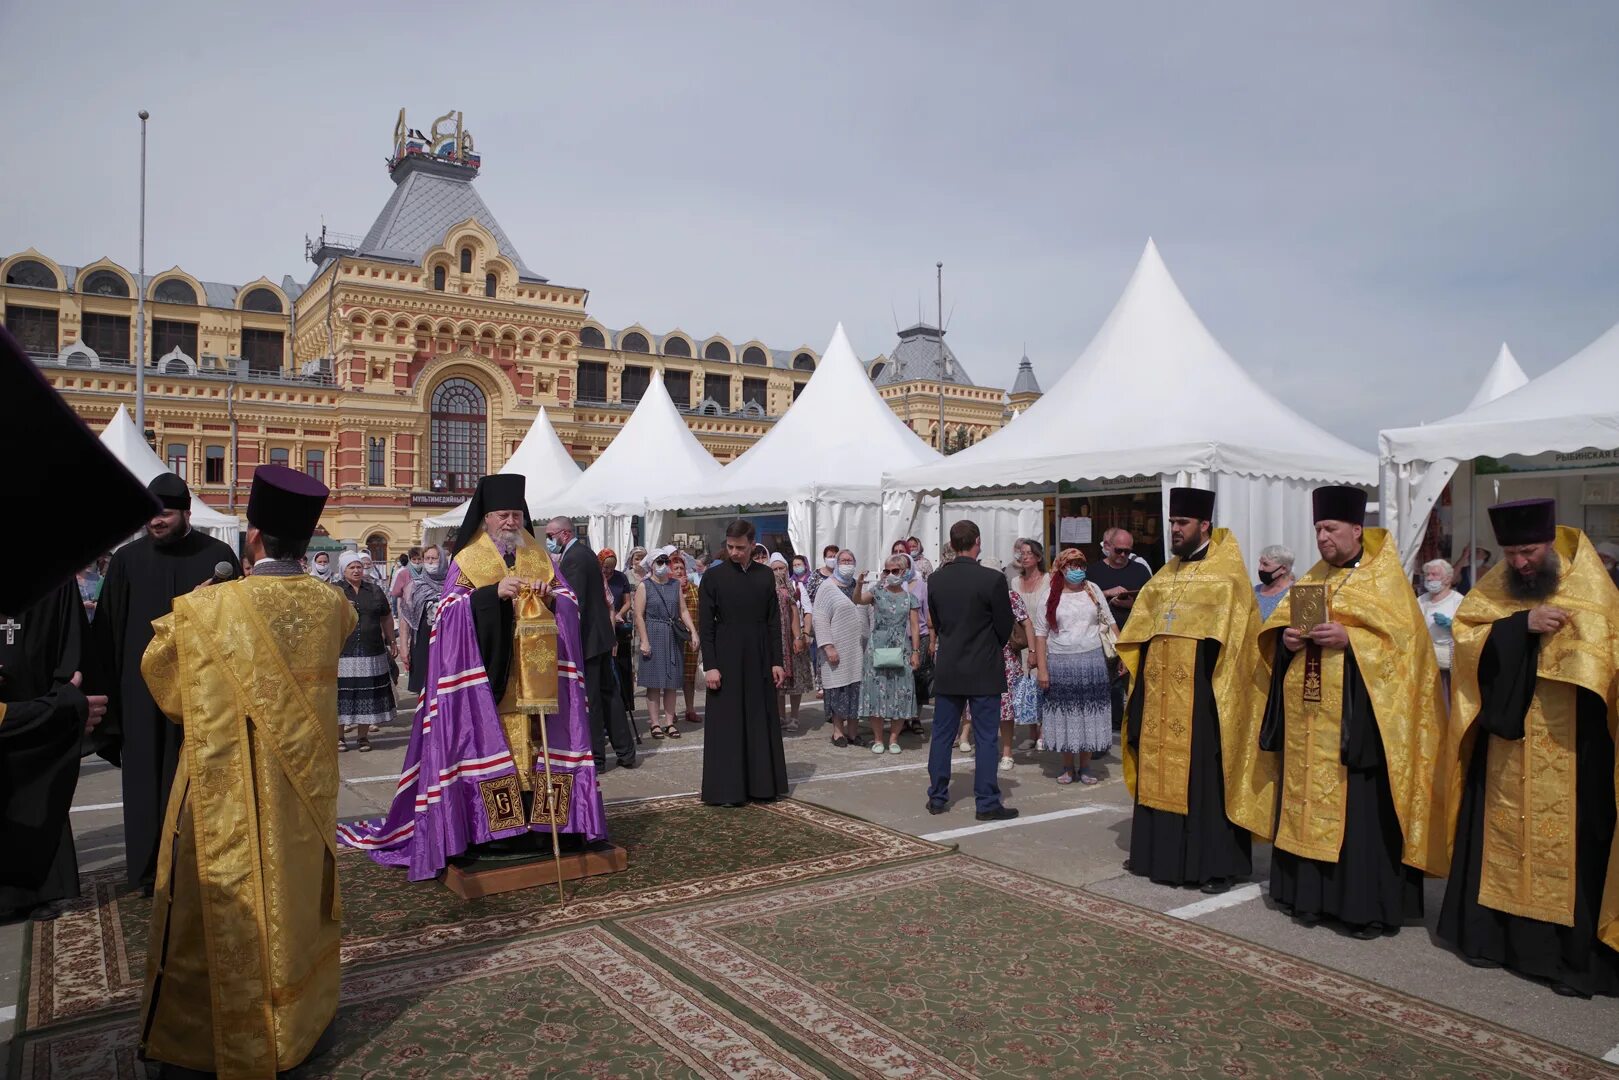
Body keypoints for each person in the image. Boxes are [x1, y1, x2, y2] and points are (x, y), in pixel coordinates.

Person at [137, 465, 353, 1077]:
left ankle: (219, 1037)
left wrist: (201, 605)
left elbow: (169, 690)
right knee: (296, 898)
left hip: (225, 785)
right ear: (307, 542)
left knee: (222, 910)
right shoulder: (334, 605)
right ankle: (304, 1020)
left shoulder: (208, 609)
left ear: (253, 538)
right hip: (304, 791)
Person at [339, 475, 609, 878]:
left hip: (538, 677)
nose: (510, 522)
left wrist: (551, 597)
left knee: (539, 747)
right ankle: (495, 834)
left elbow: (571, 600)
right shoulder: (469, 559)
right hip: (488, 682)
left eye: (516, 515)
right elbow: (446, 614)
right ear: (486, 518)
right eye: (503, 515)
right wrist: (492, 594)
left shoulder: (541, 556)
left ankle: (544, 828)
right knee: (495, 748)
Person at [1437, 499, 1619, 997]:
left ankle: (1568, 959)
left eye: (1529, 551)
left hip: (1575, 745)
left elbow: (1607, 652)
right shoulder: (1497, 586)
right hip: (1507, 743)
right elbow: (1468, 635)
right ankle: (1498, 943)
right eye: (1512, 552)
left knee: (1575, 843)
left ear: (1550, 545)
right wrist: (1520, 627)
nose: (1519, 563)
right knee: (1502, 837)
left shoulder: (1590, 587)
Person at [1257, 485, 1447, 939]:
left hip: (1358, 725)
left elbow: (1407, 654)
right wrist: (1285, 640)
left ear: (1357, 530)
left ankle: (1361, 908)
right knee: (1303, 802)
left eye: (1331, 528)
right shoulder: (1313, 578)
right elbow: (1277, 630)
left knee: (1359, 813)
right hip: (1308, 721)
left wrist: (1352, 640)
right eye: (1318, 528)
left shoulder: (1385, 580)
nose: (1323, 536)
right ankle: (1308, 897)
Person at [1117, 487, 1276, 893]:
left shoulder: (1226, 576)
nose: (1174, 529)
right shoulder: (1165, 575)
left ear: (1204, 525)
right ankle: (1158, 856)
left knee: (1202, 778)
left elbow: (1241, 642)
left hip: (1204, 697)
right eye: (1171, 522)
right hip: (1160, 695)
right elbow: (1142, 627)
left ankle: (1212, 865)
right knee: (1159, 770)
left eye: (1182, 523)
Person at [90, 472, 241, 891]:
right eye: (151, 513)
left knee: (196, 780)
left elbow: (237, 629)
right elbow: (106, 631)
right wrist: (108, 700)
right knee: (143, 781)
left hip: (200, 692)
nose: (156, 521)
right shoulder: (127, 560)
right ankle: (145, 872)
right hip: (138, 694)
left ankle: (195, 869)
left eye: (166, 514)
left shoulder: (218, 556)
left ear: (186, 513)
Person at [1, 578, 106, 919]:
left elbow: (70, 639)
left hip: (39, 698)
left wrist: (64, 697)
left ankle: (39, 891)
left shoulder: (53, 580)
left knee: (40, 793)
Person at [925, 520, 1017, 820]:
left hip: (950, 665)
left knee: (942, 734)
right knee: (986, 736)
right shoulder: (991, 579)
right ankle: (987, 802)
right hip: (983, 665)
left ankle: (937, 797)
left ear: (951, 544)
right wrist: (989, 644)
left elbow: (937, 622)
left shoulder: (936, 580)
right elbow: (1005, 626)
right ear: (977, 541)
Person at [697, 519, 788, 805]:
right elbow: (706, 626)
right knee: (728, 723)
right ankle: (728, 790)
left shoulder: (764, 576)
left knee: (759, 719)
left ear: (752, 545)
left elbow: (774, 624)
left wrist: (777, 661)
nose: (734, 552)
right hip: (726, 657)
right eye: (730, 547)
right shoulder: (714, 577)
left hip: (760, 656)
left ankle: (762, 786)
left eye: (740, 547)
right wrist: (710, 664)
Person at [547, 516, 638, 770]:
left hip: (588, 639)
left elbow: (575, 603)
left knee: (594, 700)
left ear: (564, 534)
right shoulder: (583, 553)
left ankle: (597, 757)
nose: (549, 541)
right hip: (599, 637)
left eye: (551, 535)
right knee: (609, 696)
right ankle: (625, 752)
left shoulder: (575, 557)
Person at [1031, 549, 1117, 785]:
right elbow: (1040, 634)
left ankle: (1086, 766)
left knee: (1089, 714)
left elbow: (1109, 622)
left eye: (1080, 565)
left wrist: (1123, 656)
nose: (1077, 570)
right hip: (1060, 662)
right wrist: (1042, 669)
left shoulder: (1093, 589)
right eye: (1071, 565)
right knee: (1066, 714)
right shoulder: (1050, 595)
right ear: (1061, 567)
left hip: (1092, 661)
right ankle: (1068, 766)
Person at [855, 551, 922, 754]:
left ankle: (893, 738)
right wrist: (860, 583)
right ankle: (877, 739)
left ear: (904, 571)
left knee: (901, 691)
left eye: (895, 570)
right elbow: (858, 600)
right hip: (878, 646)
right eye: (887, 570)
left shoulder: (910, 598)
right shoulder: (877, 592)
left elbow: (915, 626)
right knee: (876, 691)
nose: (891, 573)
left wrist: (916, 651)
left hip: (901, 647)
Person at [1089, 528, 1154, 732]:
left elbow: (1152, 604)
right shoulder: (1094, 571)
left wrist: (1132, 604)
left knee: (1134, 686)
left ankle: (1134, 728)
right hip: (1103, 640)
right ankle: (1105, 728)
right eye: (1119, 551)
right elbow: (1084, 601)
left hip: (1134, 636)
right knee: (1105, 687)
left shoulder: (1140, 571)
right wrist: (1107, 594)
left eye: (1127, 551)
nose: (1123, 555)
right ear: (1108, 547)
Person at [333, 549, 396, 752]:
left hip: (371, 650)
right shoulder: (335, 590)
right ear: (344, 570)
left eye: (359, 566)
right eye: (352, 567)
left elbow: (386, 615)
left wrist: (392, 639)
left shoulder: (374, 590)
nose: (356, 570)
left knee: (367, 696)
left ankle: (363, 737)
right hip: (343, 651)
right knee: (341, 696)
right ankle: (339, 737)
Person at [636, 545, 697, 739]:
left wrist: (694, 632)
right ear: (652, 565)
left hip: (672, 634)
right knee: (654, 682)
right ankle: (655, 723)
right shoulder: (645, 586)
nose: (663, 565)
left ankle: (669, 722)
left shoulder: (675, 585)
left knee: (671, 681)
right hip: (653, 631)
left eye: (665, 561)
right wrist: (644, 640)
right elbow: (638, 615)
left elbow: (683, 610)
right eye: (659, 562)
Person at [814, 550, 868, 748]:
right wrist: (828, 646)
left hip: (858, 650)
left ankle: (853, 733)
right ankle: (838, 732)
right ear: (836, 563)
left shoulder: (857, 586)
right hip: (836, 650)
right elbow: (819, 618)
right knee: (838, 690)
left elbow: (867, 609)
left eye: (850, 560)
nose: (847, 563)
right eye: (843, 560)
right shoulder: (827, 588)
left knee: (856, 691)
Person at [768, 553, 812, 731]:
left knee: (796, 680)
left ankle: (794, 716)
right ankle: (780, 715)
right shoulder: (767, 587)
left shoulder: (794, 586)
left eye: (782, 568)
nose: (779, 572)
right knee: (779, 681)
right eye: (775, 569)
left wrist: (799, 636)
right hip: (776, 639)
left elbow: (799, 611)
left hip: (792, 637)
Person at [400, 544, 447, 692]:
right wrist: (403, 647)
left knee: (444, 688)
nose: (430, 562)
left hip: (448, 644)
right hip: (422, 643)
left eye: (434, 558)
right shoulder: (414, 586)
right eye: (427, 558)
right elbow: (405, 619)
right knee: (423, 690)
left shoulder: (453, 585)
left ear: (443, 560)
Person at [1417, 558, 1464, 698]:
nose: (1430, 578)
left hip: (1447, 665)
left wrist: (1452, 625)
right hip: (1425, 662)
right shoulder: (1421, 600)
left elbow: (1470, 631)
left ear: (1448, 578)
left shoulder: (1459, 601)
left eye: (1434, 574)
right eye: (1427, 575)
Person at [601, 548, 638, 720]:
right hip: (601, 627)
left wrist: (618, 615)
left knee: (621, 667)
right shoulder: (596, 577)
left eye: (611, 568)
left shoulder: (620, 577)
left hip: (617, 625)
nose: (608, 571)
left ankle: (623, 705)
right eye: (605, 567)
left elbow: (627, 602)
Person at [669, 551, 703, 724]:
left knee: (689, 676)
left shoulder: (695, 589)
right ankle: (671, 711)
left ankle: (690, 709)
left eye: (681, 568)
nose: (679, 571)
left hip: (691, 639)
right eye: (675, 568)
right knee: (673, 676)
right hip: (673, 638)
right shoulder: (667, 589)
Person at [1253, 543, 1296, 622]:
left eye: (1265, 564)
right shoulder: (1254, 592)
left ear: (1283, 569)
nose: (1260, 568)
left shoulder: (1295, 594)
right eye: (1260, 563)